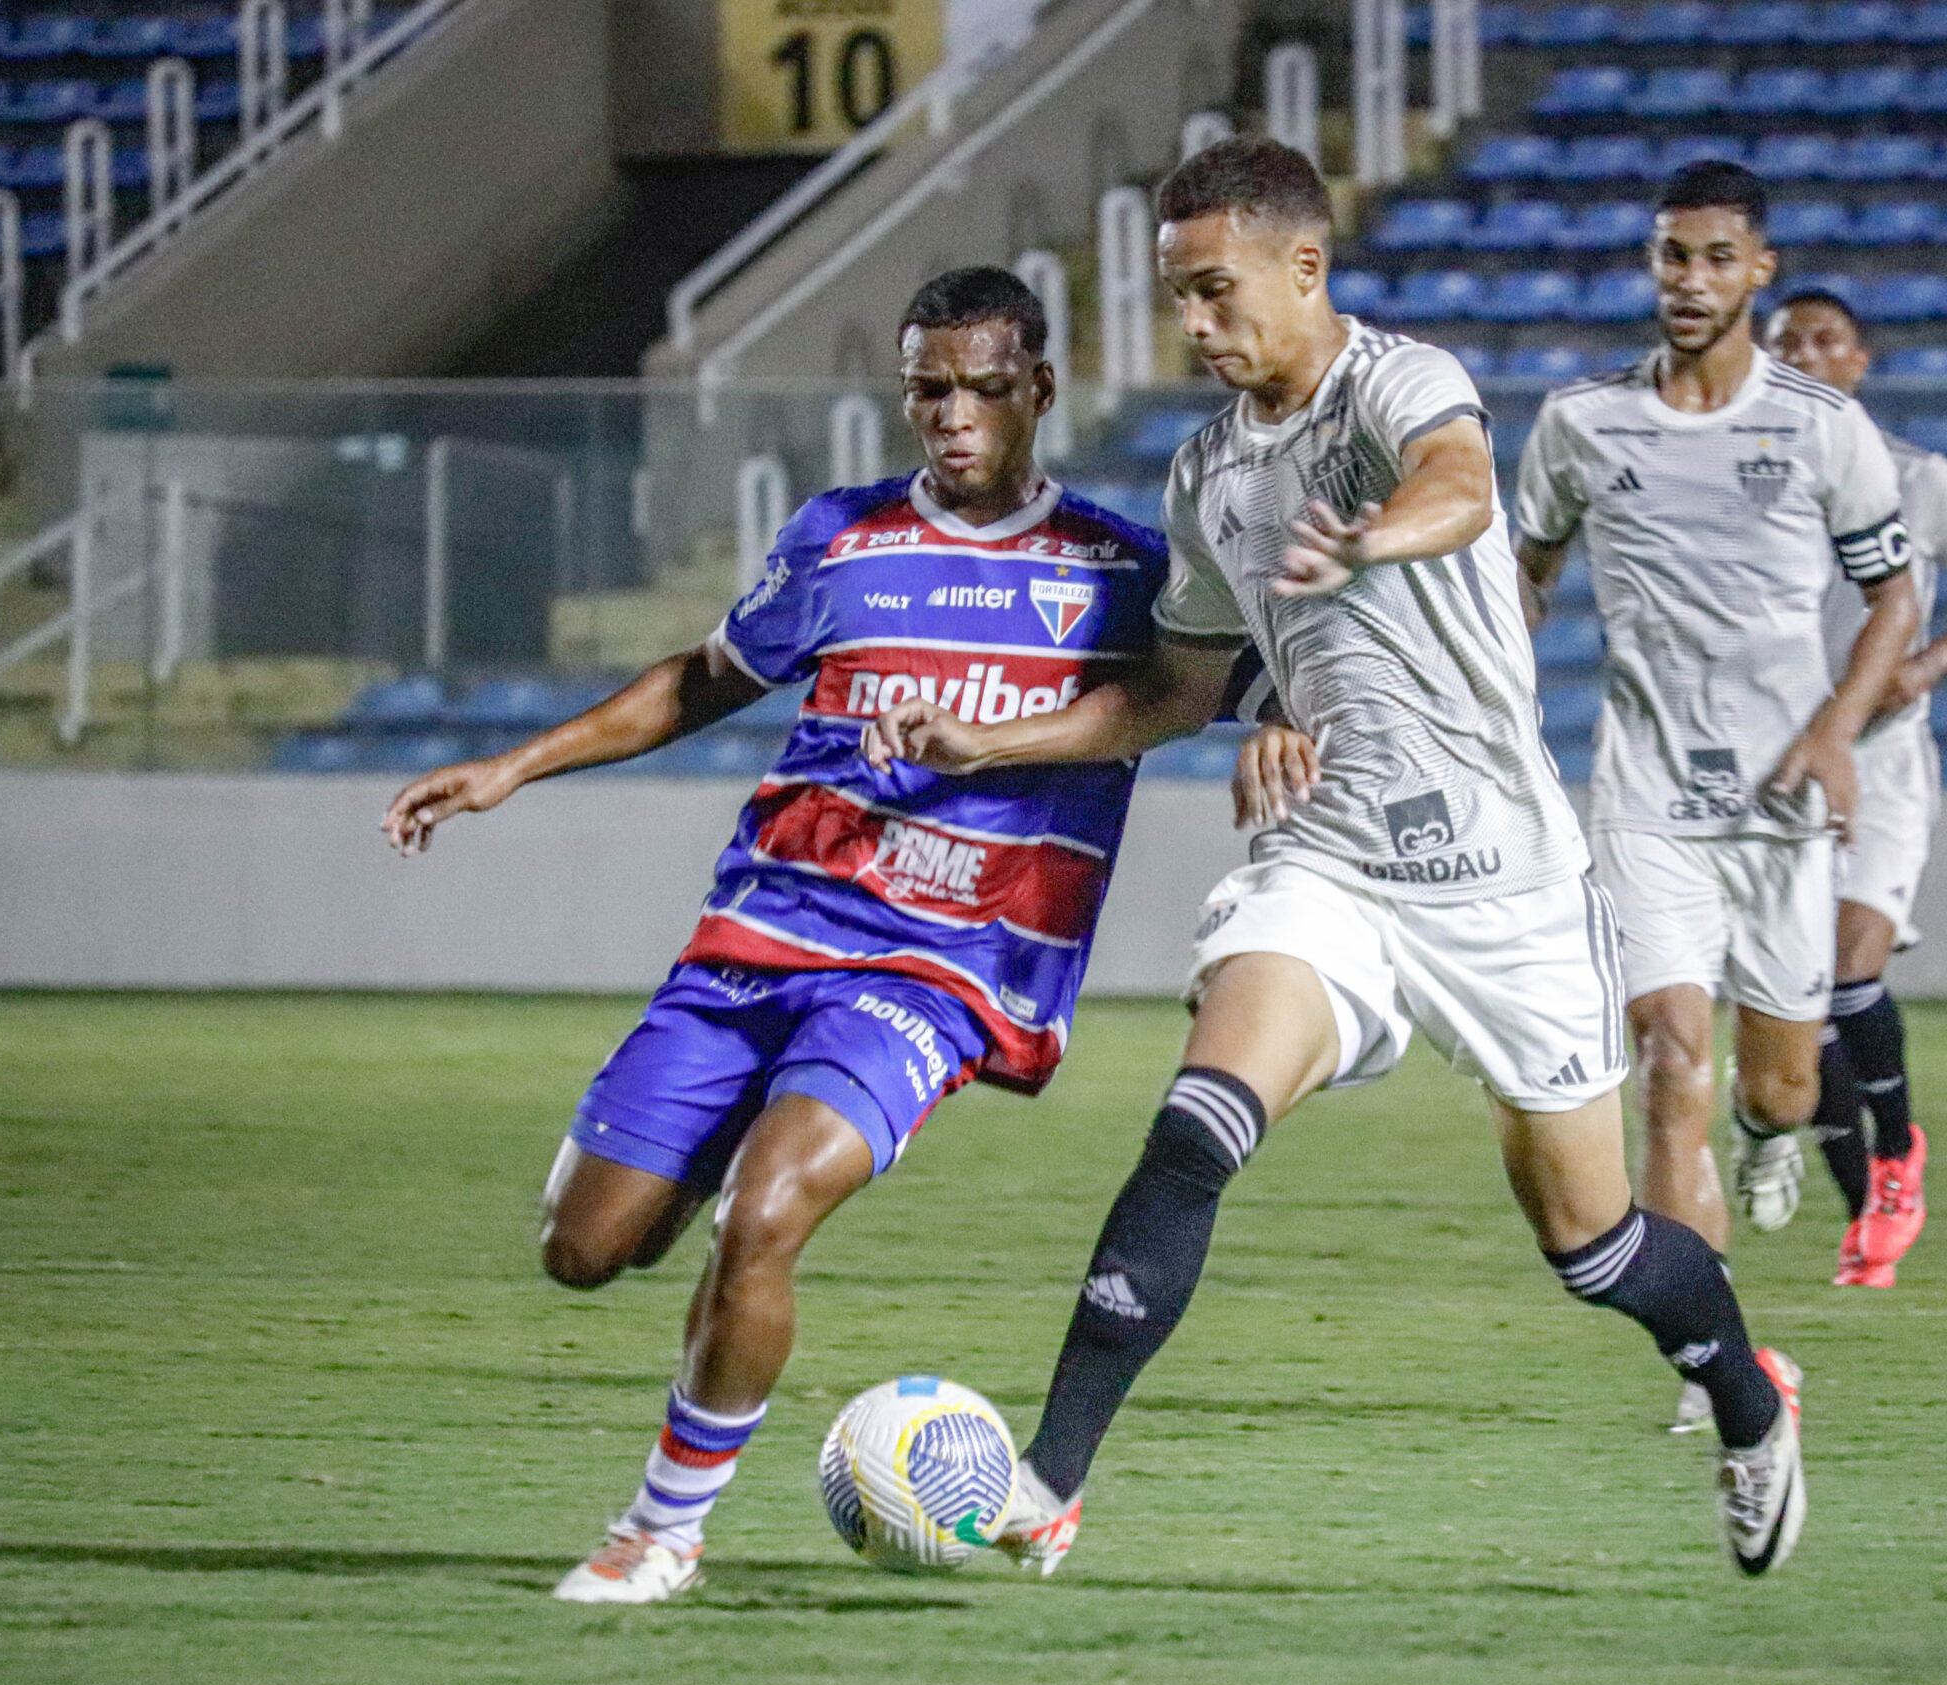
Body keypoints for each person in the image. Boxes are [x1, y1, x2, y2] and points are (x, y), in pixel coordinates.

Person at [867, 136, 1806, 1580]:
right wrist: (994, 745)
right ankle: (1050, 1479)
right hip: (1336, 871)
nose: (1196, 324)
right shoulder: (1207, 475)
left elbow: (1462, 488)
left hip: (1506, 882)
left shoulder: (1397, 385)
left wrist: (1362, 543)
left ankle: (1750, 1394)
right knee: (1195, 1122)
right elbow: (1178, 685)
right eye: (1180, 297)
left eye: (1217, 289)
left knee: (1594, 1243)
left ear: (1306, 267)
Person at [379, 267, 1170, 1605]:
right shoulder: (840, 536)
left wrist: (1279, 718)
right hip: (762, 933)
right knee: (583, 1247)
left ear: (1038, 386)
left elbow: (1222, 681)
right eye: (931, 387)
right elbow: (701, 677)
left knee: (767, 1212)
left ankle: (660, 1528)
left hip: (941, 964)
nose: (957, 414)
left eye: (986, 386)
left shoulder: (1119, 567)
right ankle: (708, 1219)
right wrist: (519, 763)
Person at [1509, 161, 1919, 1430]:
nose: (1688, 282)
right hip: (1643, 802)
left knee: (1775, 1088)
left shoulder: (1819, 428)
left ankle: (1773, 1134)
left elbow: (1895, 597)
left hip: (1785, 809)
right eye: (1670, 258)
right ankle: (1714, 1356)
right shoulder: (1579, 424)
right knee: (1668, 1060)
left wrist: (1838, 733)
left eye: (1713, 259)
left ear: (1758, 271)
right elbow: (1522, 579)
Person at [1765, 288, 1947, 1288]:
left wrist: (1924, 669)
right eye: (1786, 343)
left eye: (1823, 341)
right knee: (1793, 1005)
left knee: (1842, 967)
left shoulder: (1921, 479)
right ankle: (1864, 1214)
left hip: (1880, 758)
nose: (1804, 356)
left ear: (1859, 360)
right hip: (1773, 760)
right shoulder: (1746, 482)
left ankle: (1896, 1148)